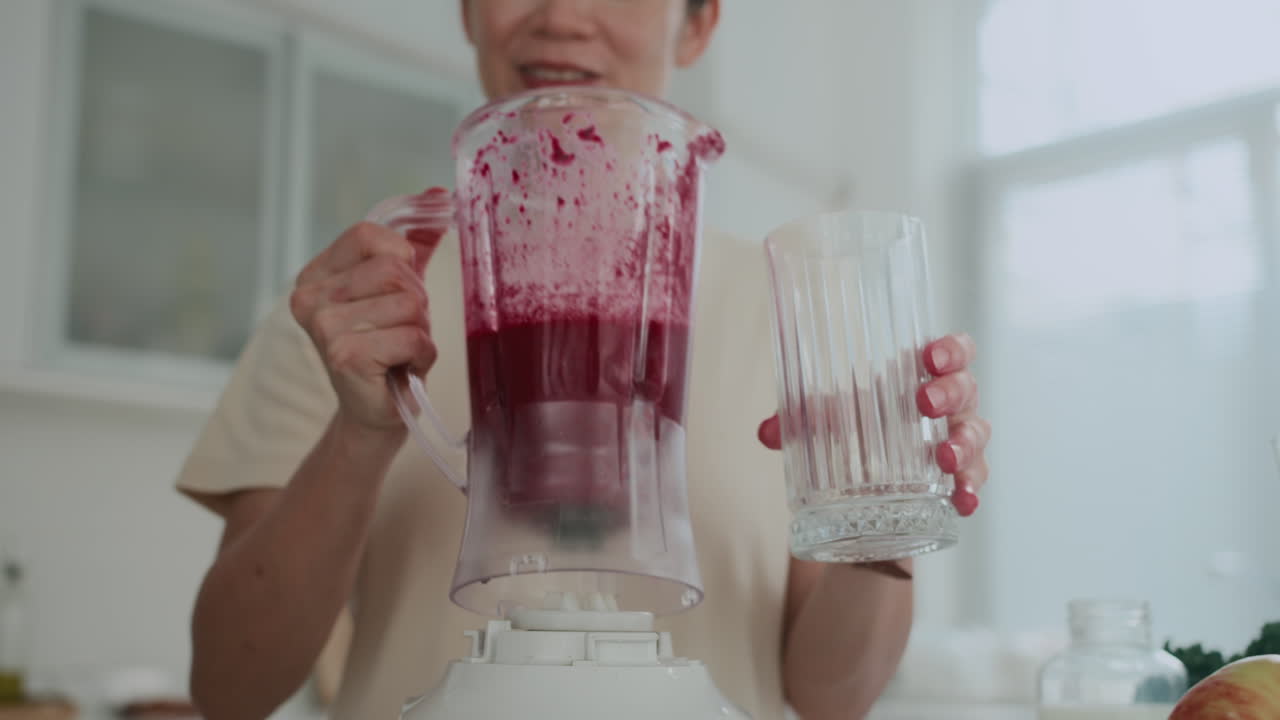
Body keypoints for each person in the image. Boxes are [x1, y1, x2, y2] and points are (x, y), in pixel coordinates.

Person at [178, 1, 991, 719]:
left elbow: (832, 699)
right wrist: (361, 433)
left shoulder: (788, 306)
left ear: (699, 23)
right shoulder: (352, 313)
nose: (562, 16)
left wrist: (884, 505)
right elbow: (229, 689)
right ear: (466, 11)